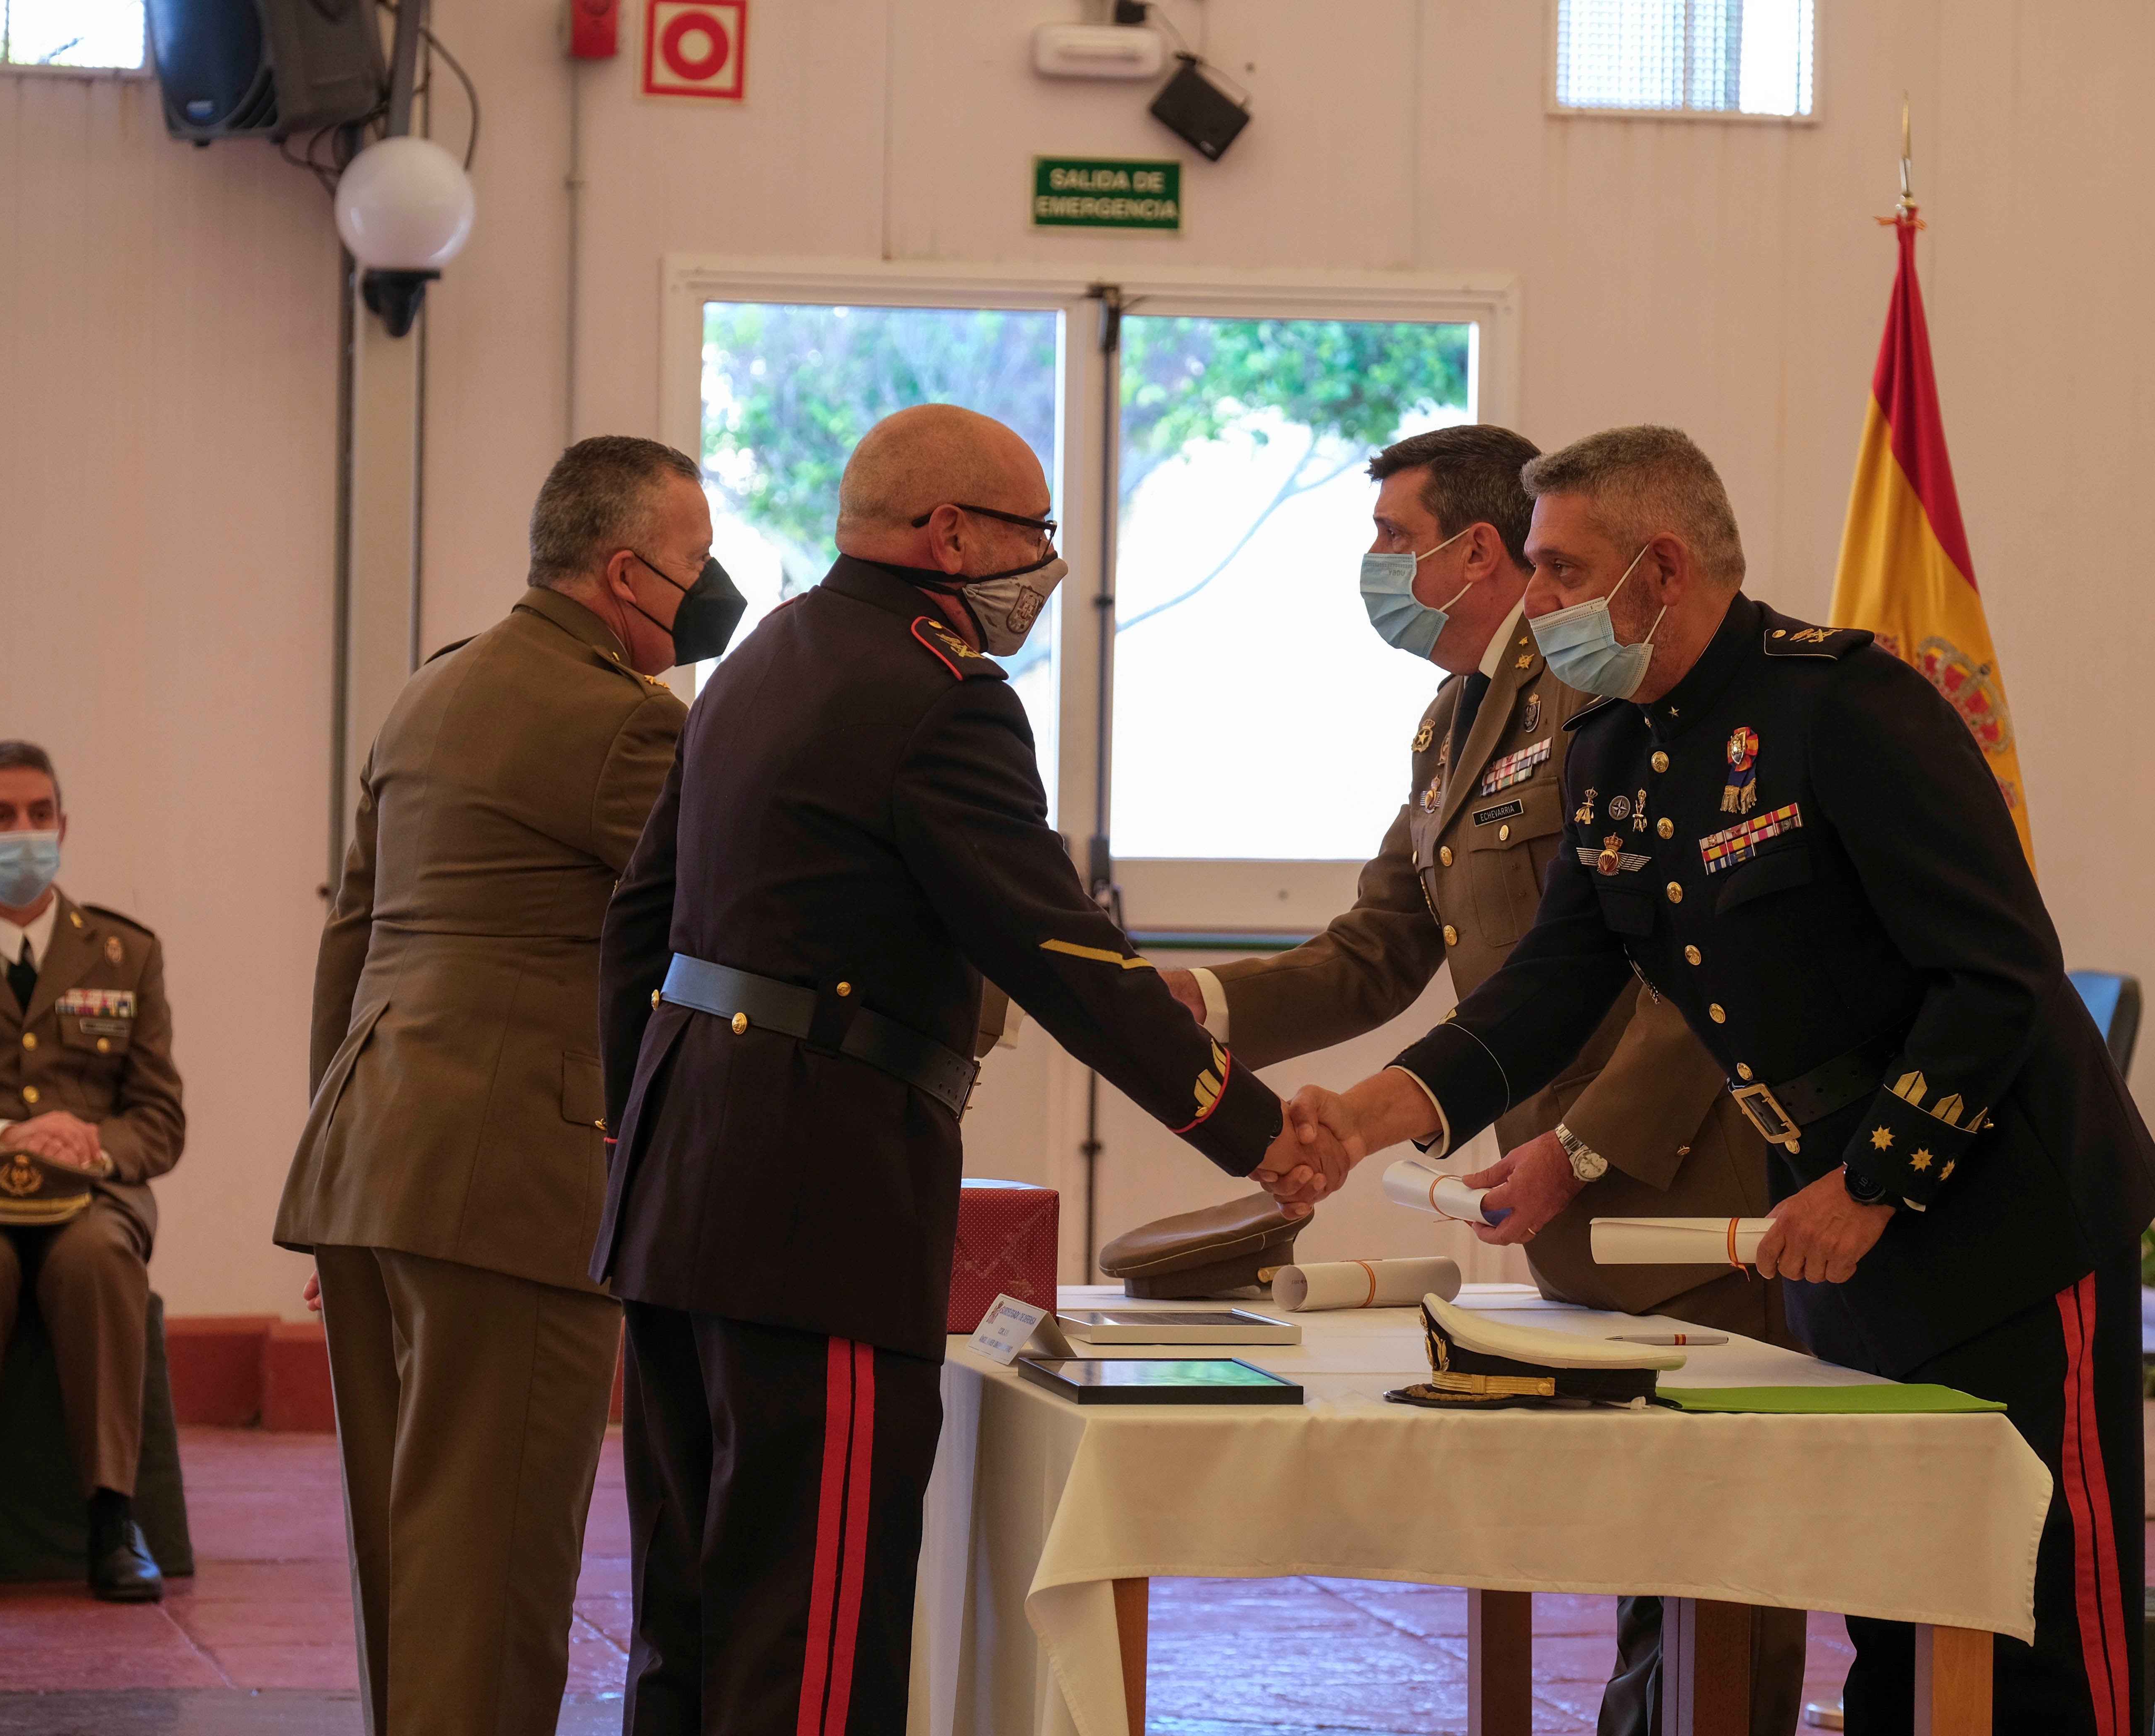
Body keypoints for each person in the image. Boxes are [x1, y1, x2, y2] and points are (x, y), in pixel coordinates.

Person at [1287, 426, 2155, 1736]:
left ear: (1660, 569)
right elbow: (1549, 989)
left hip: (2004, 1224)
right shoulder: (1619, 753)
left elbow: (1999, 978)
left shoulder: (1847, 708)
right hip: (1828, 1229)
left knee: (2033, 1627)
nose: (1534, 604)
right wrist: (1368, 1120)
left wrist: (1872, 1181)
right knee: (1893, 1604)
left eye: (1557, 570)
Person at [592, 404, 1324, 1736]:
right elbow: (1061, 952)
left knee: (692, 1606)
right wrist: (1249, 1123)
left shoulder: (761, 660)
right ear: (951, 534)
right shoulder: (940, 701)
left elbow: (639, 924)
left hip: (679, 1186)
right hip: (826, 1199)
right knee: (810, 1625)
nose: (1042, 565)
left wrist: (630, 1140)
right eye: (1032, 535)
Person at [1157, 422, 1803, 1736]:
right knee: (1648, 1558)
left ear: (1481, 548)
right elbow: (1386, 944)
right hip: (1561, 1194)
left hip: (1684, 1188)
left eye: (1395, 540)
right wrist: (1202, 1010)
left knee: (1718, 1565)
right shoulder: (1452, 722)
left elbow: (1704, 971)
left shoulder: (1603, 698)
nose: (1376, 566)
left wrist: (1589, 1144)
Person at [274, 437, 735, 1735]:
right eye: (697, 563)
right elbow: (741, 912)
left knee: (409, 1556)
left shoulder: (432, 692)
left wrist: (341, 1161)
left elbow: (351, 939)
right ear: (626, 568)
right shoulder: (625, 720)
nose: (713, 591)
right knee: (494, 1572)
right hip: (513, 1180)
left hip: (374, 1158)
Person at [0, 739, 185, 1602]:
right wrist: (9, 1133)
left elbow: (158, 1118)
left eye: (37, 815)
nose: (22, 833)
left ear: (63, 826)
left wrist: (90, 1144)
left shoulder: (123, 952)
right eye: (0, 817)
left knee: (103, 1259)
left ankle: (114, 1517)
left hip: (94, 1196)